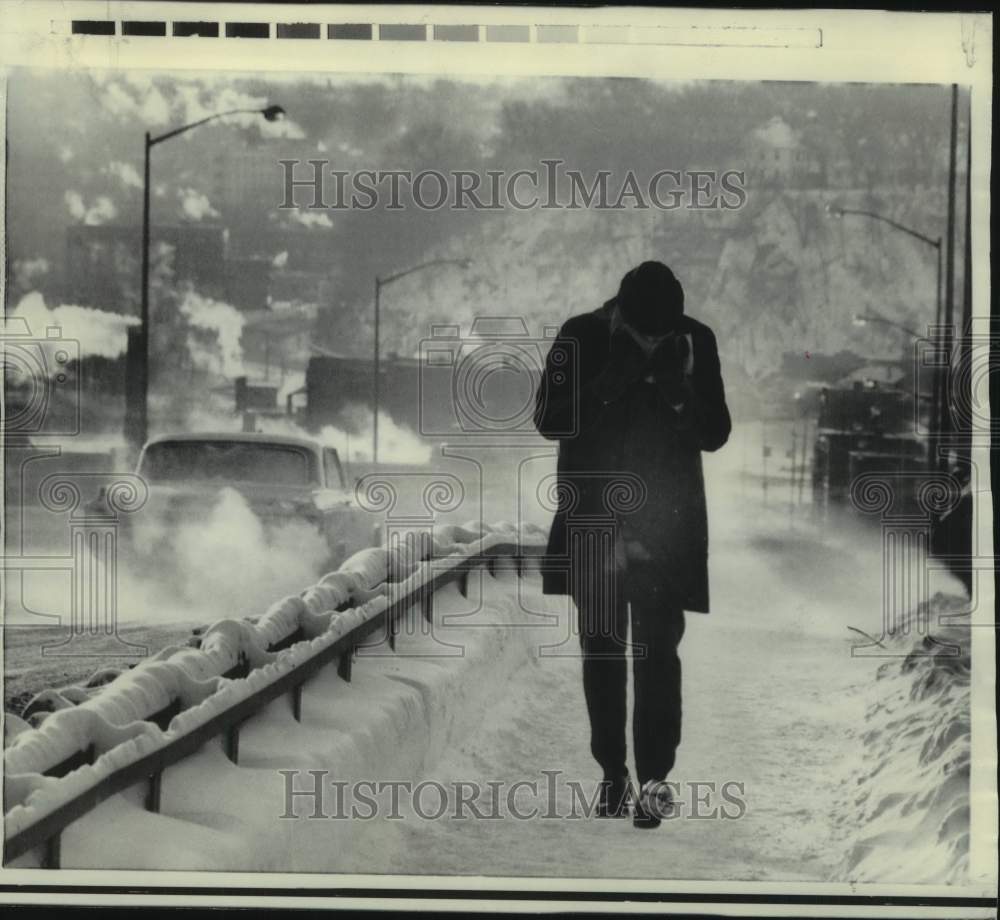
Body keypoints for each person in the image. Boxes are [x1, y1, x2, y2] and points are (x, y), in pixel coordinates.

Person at [533, 260, 731, 828]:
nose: (652, 343)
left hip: (667, 531)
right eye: (644, 335)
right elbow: (549, 420)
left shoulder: (695, 341)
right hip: (594, 524)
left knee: (658, 659)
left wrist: (676, 392)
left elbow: (715, 432)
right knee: (601, 651)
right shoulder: (581, 335)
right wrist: (610, 380)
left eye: (660, 335)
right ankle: (612, 773)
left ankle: (654, 781)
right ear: (619, 316)